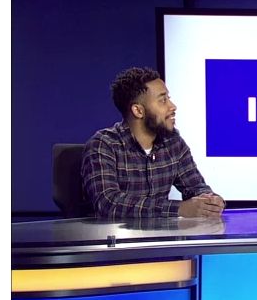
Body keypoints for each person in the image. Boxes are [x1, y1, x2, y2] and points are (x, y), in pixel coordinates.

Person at [81, 67, 225, 219]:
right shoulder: (103, 145)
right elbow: (108, 204)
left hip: (161, 233)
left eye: (168, 98)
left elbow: (195, 187)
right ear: (138, 111)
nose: (172, 106)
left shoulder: (172, 142)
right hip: (113, 234)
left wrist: (210, 201)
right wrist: (179, 209)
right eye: (163, 100)